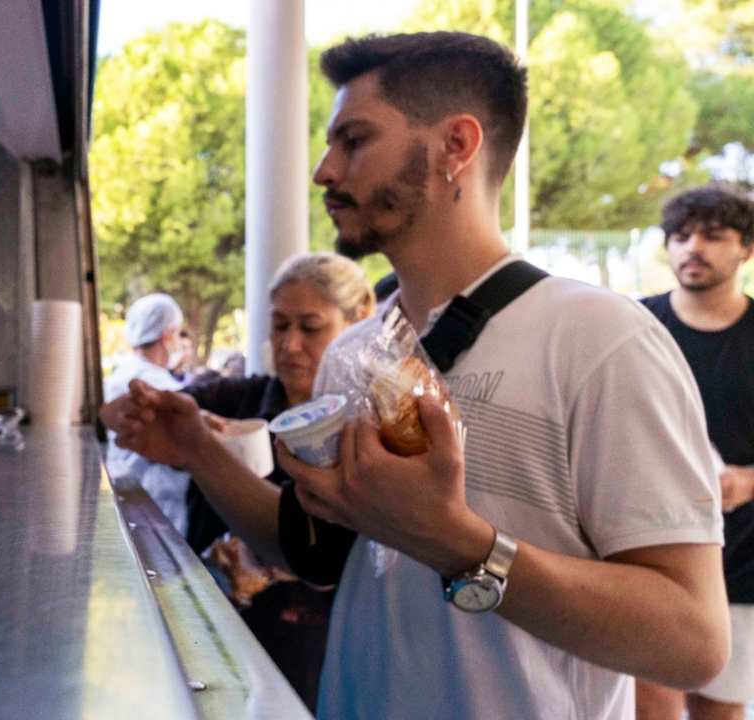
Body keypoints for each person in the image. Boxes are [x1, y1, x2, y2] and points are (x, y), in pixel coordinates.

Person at [102, 32, 729, 720]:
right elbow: (318, 554)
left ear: (456, 147)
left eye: (354, 140)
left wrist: (459, 544)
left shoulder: (600, 340)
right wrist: (196, 449)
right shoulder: (357, 351)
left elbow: (693, 643)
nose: (323, 170)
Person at [183, 251, 374, 709]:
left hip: (321, 652)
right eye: (279, 325)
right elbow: (113, 416)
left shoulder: (366, 427)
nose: (289, 345)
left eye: (310, 327)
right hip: (216, 645)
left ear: (359, 319)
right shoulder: (237, 400)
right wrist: (183, 425)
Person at [638, 185, 754, 720]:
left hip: (741, 567)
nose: (693, 249)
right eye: (680, 237)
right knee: (648, 707)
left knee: (720, 712)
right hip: (642, 560)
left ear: (746, 248)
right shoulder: (633, 329)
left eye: (713, 236)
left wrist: (747, 482)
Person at [104, 293, 191, 533]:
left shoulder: (123, 373)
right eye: (178, 332)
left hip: (134, 501)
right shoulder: (158, 386)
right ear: (167, 335)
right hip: (158, 509)